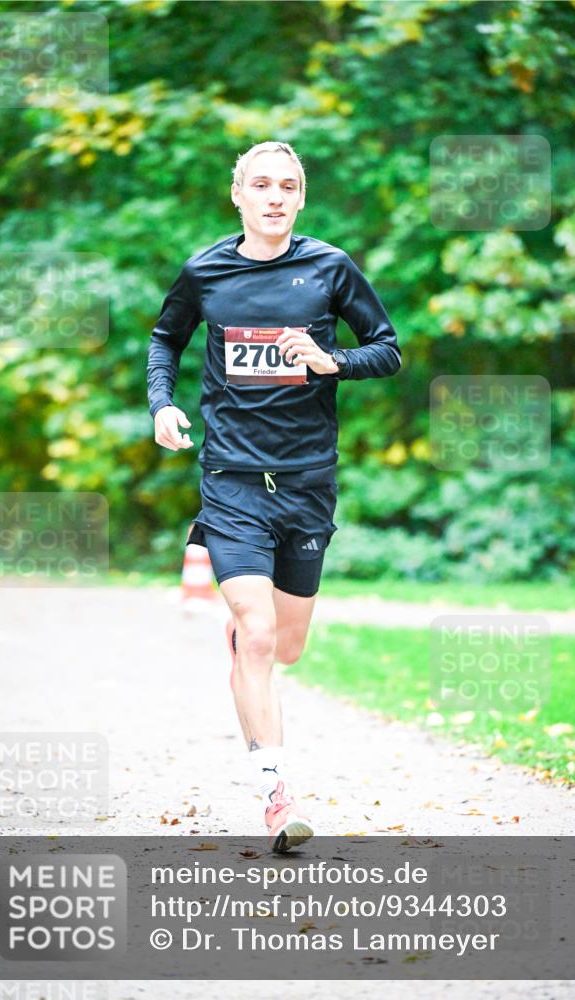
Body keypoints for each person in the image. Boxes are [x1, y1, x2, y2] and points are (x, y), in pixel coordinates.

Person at [147, 140, 401, 853]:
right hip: (231, 482)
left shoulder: (328, 268)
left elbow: (387, 347)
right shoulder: (205, 271)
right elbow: (164, 341)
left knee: (283, 646)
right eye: (261, 184)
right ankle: (275, 791)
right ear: (238, 194)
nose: (275, 197)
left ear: (300, 197)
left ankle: (247, 633)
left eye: (287, 186)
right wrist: (162, 405)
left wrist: (332, 361)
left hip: (306, 484)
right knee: (256, 634)